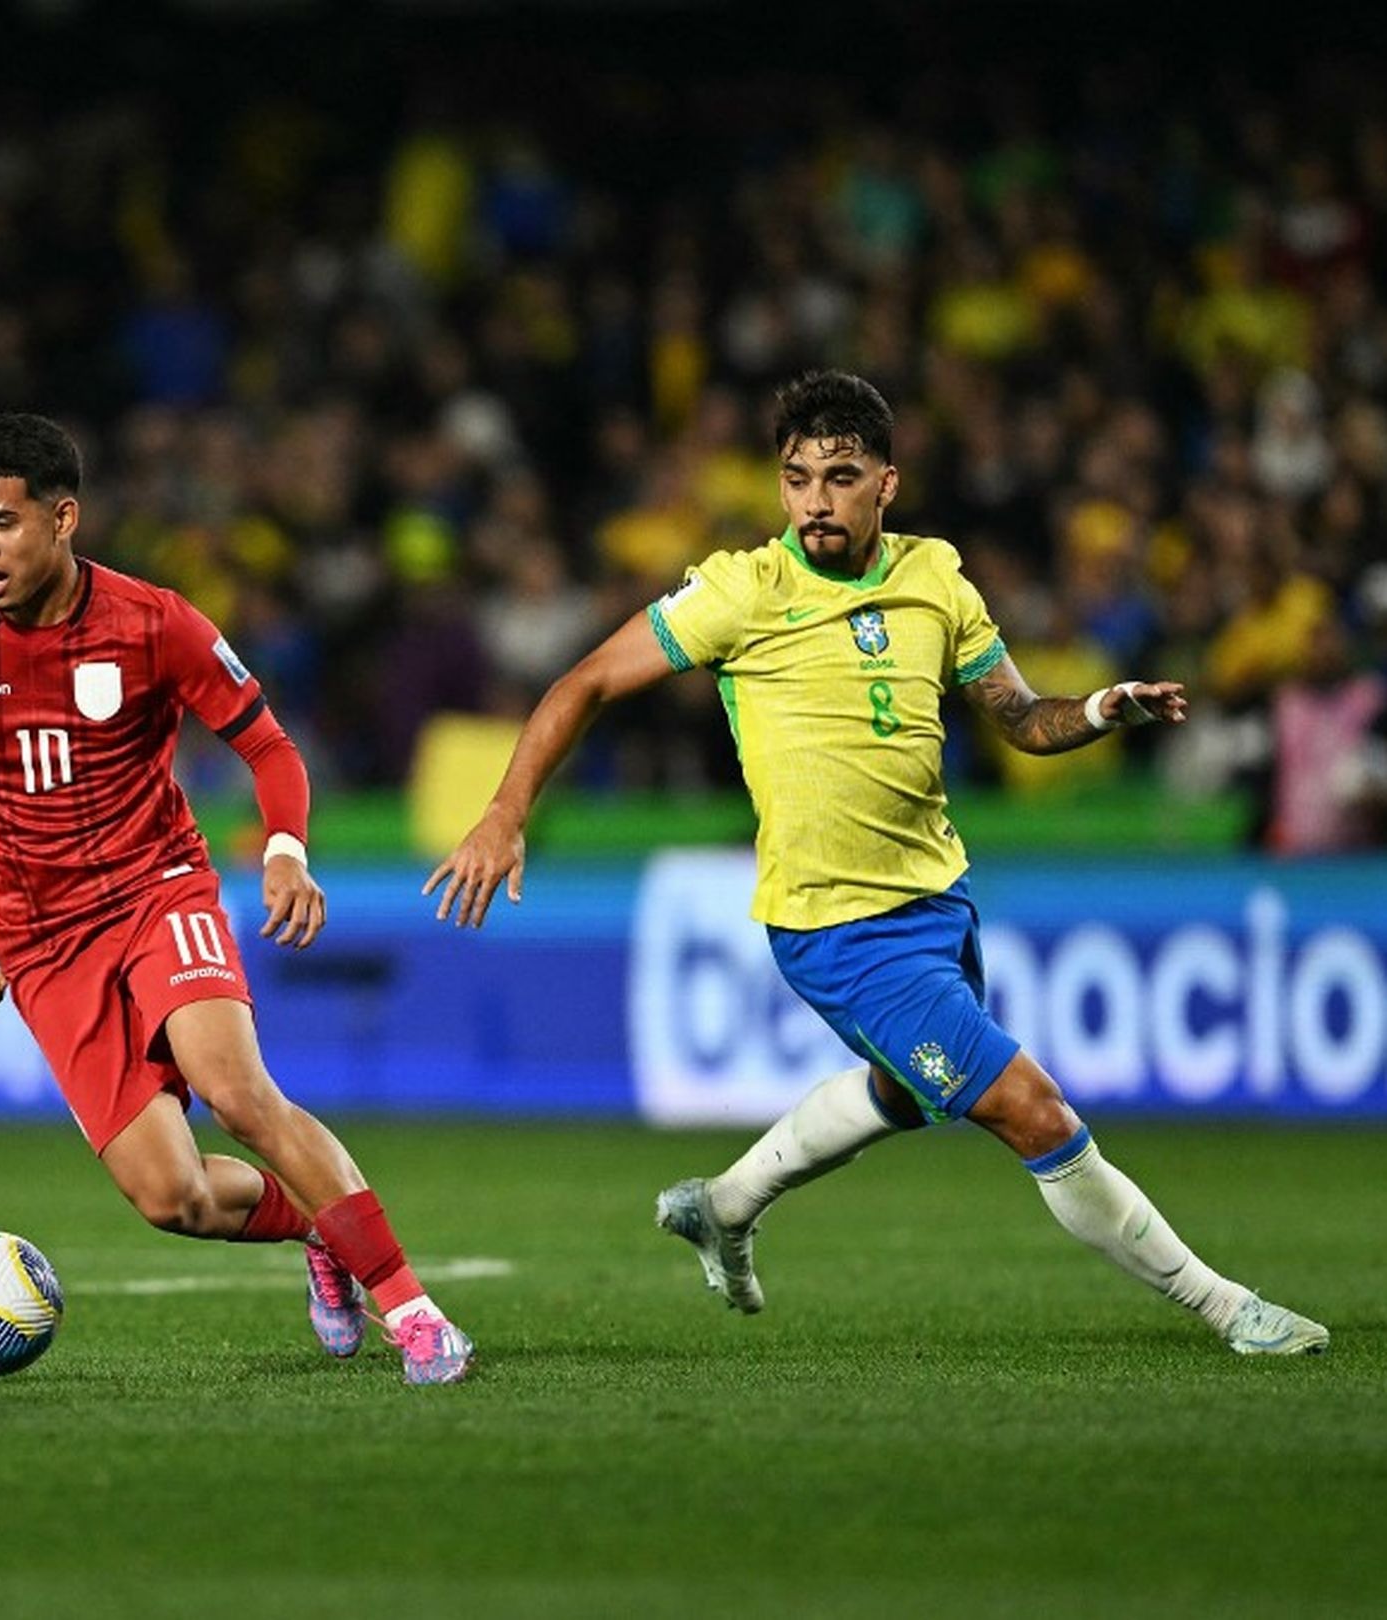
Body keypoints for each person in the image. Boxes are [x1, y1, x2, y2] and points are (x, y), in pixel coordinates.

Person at [426, 370, 1328, 1357]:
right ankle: (1224, 1307)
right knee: (1030, 1108)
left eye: (839, 476)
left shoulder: (934, 579)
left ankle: (725, 1205)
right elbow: (585, 680)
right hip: (835, 926)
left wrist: (1103, 708)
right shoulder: (741, 590)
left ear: (885, 485)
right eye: (796, 477)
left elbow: (1020, 719)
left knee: (904, 1091)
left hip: (937, 902)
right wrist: (504, 812)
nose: (814, 499)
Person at [0, 412, 473, 1384]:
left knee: (238, 1094)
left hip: (156, 891)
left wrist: (284, 851)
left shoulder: (154, 623)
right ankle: (320, 1235)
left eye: (4, 522)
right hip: (37, 940)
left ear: (63, 518)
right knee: (171, 1197)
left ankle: (413, 1311)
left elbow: (270, 747)